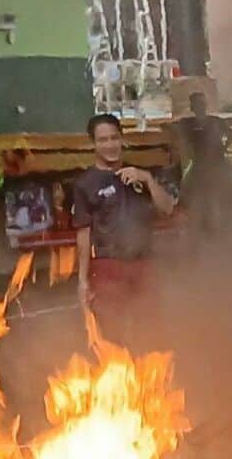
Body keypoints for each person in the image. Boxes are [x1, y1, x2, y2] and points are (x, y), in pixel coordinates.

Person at [74, 113, 175, 339]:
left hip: (143, 263)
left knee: (151, 330)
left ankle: (151, 373)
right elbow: (83, 234)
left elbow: (168, 208)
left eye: (114, 138)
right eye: (103, 140)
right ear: (93, 144)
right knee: (111, 333)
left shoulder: (139, 175)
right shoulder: (85, 184)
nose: (110, 145)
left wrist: (147, 179)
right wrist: (82, 281)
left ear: (122, 140)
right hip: (108, 266)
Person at [179, 91, 231, 235]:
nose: (200, 106)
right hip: (200, 164)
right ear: (192, 107)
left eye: (201, 103)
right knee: (196, 192)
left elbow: (231, 135)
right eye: (197, 104)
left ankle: (215, 228)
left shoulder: (215, 122)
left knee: (212, 194)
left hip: (213, 166)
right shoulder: (188, 124)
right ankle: (204, 226)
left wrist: (222, 148)